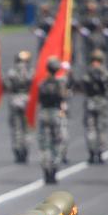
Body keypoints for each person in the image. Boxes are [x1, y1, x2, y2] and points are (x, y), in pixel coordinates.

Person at [37, 56, 67, 184]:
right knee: (56, 142)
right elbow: (63, 97)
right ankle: (54, 170)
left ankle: (46, 171)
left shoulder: (42, 84)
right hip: (55, 113)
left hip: (44, 113)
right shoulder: (60, 84)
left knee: (44, 144)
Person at [81, 49, 108, 164]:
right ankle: (100, 152)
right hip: (102, 102)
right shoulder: (105, 72)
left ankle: (92, 152)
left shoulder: (88, 72)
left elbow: (83, 84)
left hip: (90, 102)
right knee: (101, 128)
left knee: (91, 129)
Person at [5, 50, 32, 164]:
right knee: (26, 128)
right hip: (27, 100)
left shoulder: (11, 72)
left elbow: (7, 85)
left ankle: (17, 151)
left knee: (16, 128)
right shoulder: (31, 72)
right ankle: (25, 150)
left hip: (15, 100)